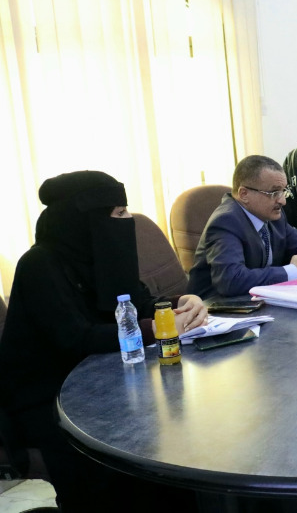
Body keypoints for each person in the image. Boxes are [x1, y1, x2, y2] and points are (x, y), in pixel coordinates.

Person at [0, 171, 206, 510]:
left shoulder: (104, 254)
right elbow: (76, 338)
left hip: (111, 382)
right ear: (86, 219)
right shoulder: (40, 265)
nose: (127, 221)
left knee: (174, 443)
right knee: (118, 472)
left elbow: (138, 303)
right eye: (119, 213)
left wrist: (183, 304)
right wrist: (158, 327)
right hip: (50, 397)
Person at [187, 155, 297, 299]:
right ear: (244, 194)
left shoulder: (273, 216)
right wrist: (293, 271)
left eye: (283, 191)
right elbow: (231, 280)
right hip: (216, 310)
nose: (282, 201)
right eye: (274, 192)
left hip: (257, 302)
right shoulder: (226, 221)